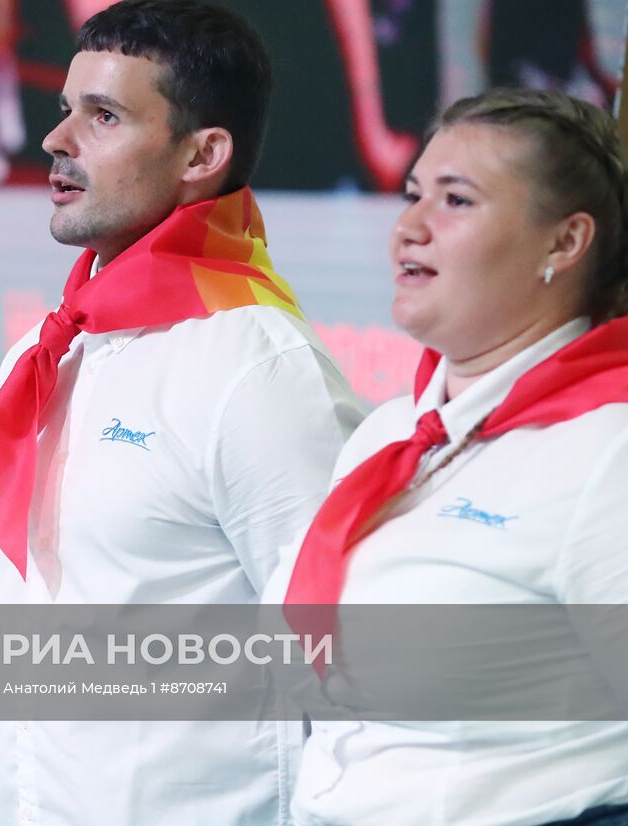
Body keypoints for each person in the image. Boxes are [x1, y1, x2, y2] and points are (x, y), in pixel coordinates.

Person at [0, 1, 364, 823]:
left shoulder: (255, 363)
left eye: (103, 116)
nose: (57, 141)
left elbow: (347, 661)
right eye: (64, 110)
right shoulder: (45, 353)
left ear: (202, 154)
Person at [270, 88, 628, 826]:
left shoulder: (607, 449)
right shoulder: (390, 435)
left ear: (564, 243)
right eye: (412, 194)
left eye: (456, 200)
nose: (410, 227)